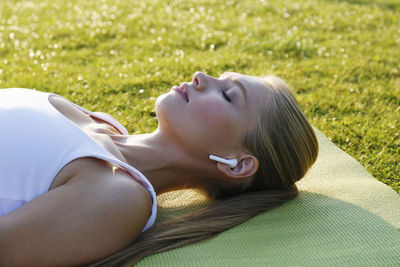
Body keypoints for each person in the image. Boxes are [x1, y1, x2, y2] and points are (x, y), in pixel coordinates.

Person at [0, 71, 318, 266]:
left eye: (226, 94)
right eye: (220, 76)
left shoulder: (120, 197)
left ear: (238, 164)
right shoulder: (98, 123)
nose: (200, 76)